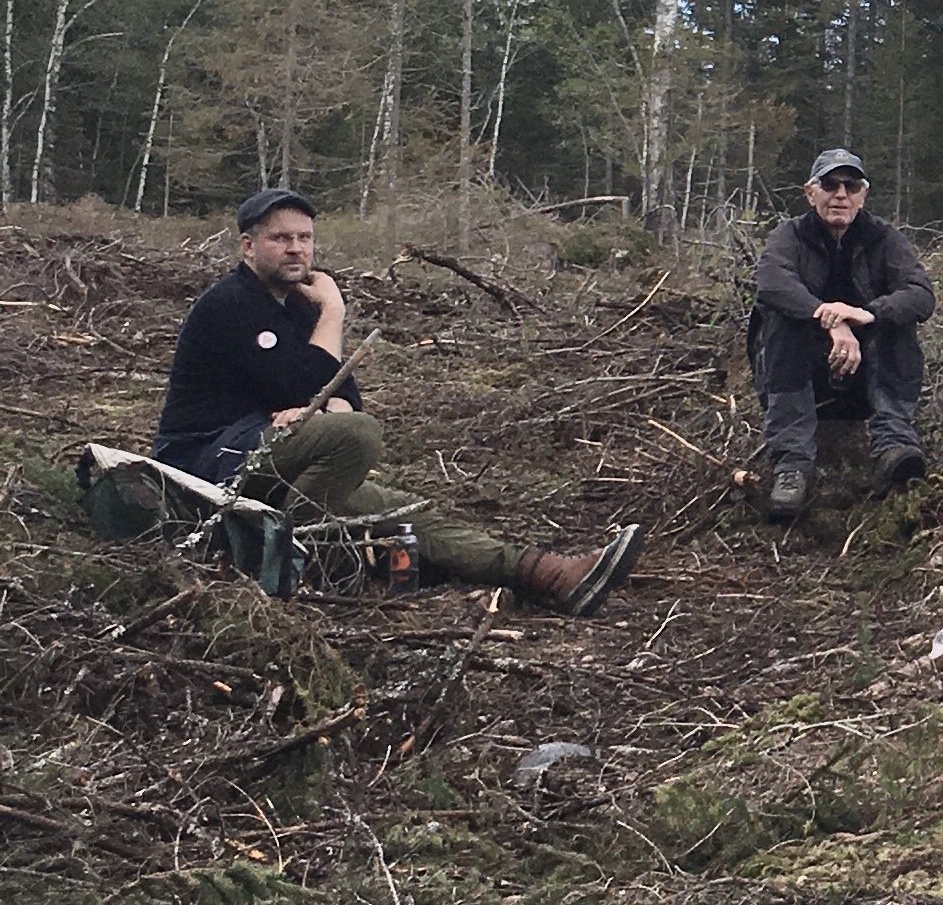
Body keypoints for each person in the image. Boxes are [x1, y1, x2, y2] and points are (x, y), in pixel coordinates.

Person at [155, 188, 643, 610]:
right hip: (207, 466)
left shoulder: (297, 308)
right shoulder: (231, 303)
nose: (296, 249)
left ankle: (549, 575)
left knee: (404, 510)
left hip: (271, 458)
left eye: (304, 238)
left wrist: (323, 407)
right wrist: (334, 313)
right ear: (248, 245)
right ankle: (302, 554)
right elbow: (308, 388)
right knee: (358, 437)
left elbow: (342, 394)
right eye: (280, 238)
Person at [750, 149, 936, 518]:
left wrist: (867, 314)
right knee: (782, 319)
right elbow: (771, 283)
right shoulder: (789, 235)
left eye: (850, 186)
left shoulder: (884, 238)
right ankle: (791, 466)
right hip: (801, 375)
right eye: (830, 184)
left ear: (862, 195)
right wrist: (830, 319)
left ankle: (894, 447)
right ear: (810, 192)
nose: (840, 194)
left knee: (895, 320)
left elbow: (921, 295)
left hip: (866, 379)